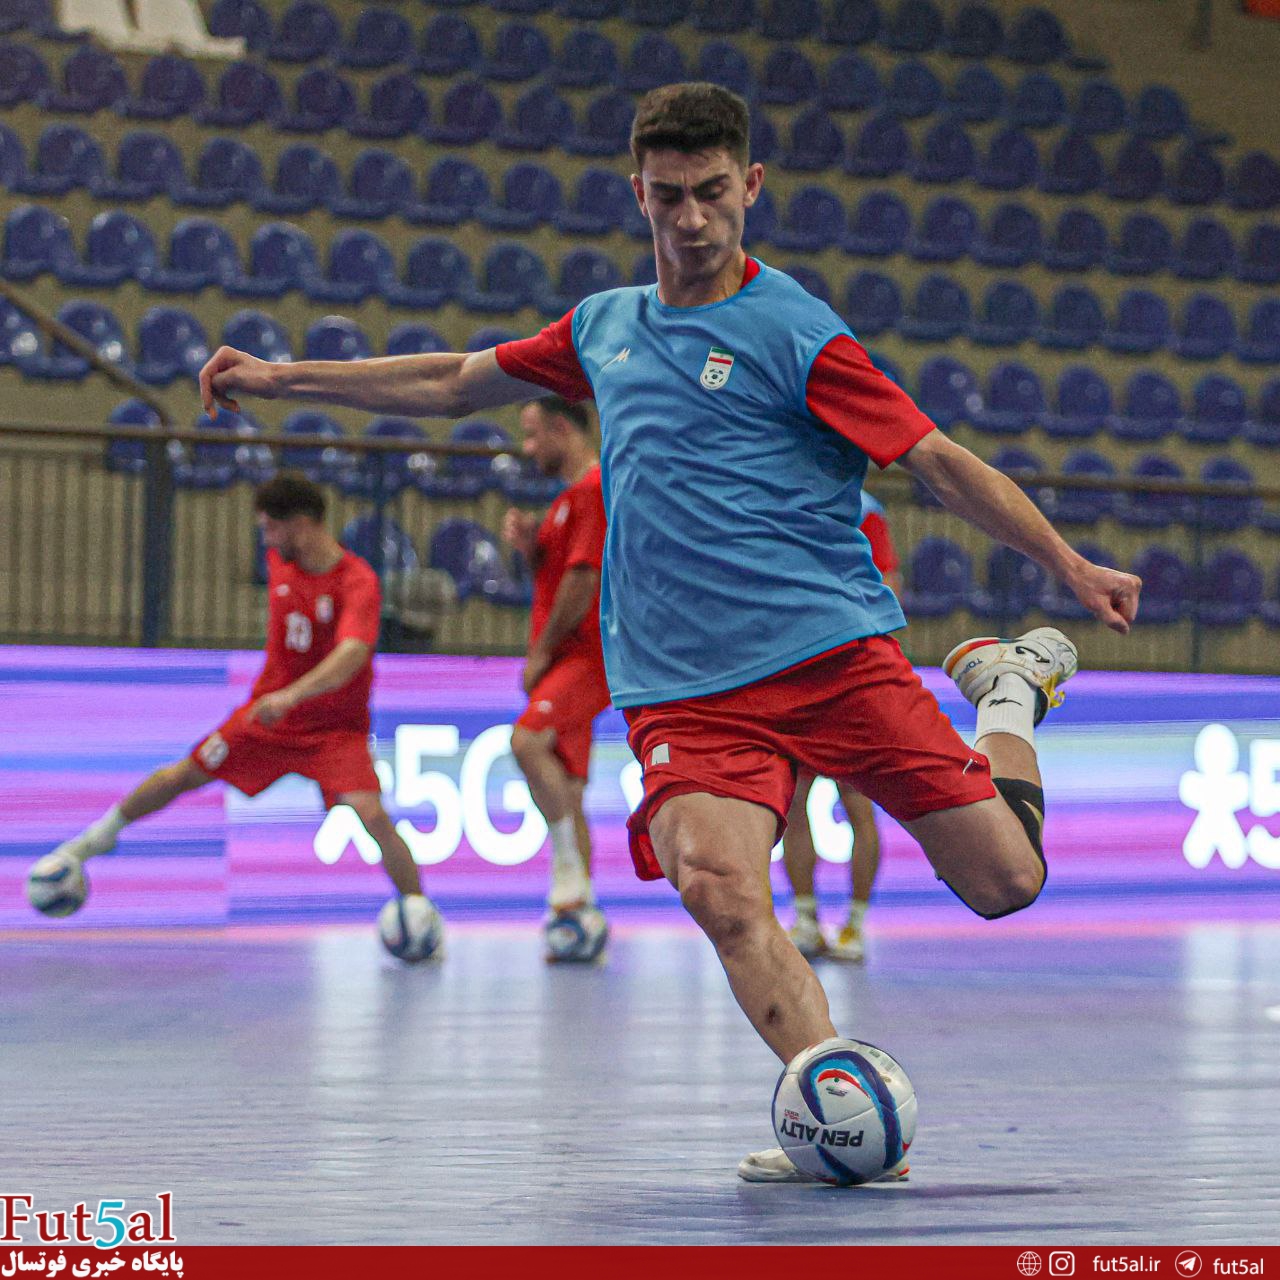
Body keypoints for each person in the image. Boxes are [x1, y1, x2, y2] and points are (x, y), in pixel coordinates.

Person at [195, 82, 1142, 1182]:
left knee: (1005, 881)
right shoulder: (603, 328)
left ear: (751, 186)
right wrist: (281, 376)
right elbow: (454, 380)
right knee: (717, 886)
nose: (690, 219)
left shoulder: (796, 332)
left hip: (831, 658)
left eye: (711, 193)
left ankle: (1008, 696)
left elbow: (933, 459)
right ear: (636, 193)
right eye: (667, 196)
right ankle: (835, 1110)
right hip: (684, 689)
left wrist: (1066, 564)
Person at [31, 475, 439, 946]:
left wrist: (293, 695)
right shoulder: (281, 562)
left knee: (370, 813)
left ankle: (419, 916)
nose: (265, 540)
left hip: (333, 730)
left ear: (301, 525)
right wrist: (280, 701)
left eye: (270, 529)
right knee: (184, 774)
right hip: (266, 720)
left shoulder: (357, 581)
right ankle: (86, 846)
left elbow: (353, 653)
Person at [501, 396, 611, 959]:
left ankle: (568, 871)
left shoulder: (592, 491)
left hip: (585, 658)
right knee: (567, 787)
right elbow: (554, 577)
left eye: (532, 435)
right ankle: (578, 912)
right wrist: (530, 547)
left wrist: (541, 653)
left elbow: (583, 582)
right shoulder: (567, 501)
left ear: (562, 428)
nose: (527, 448)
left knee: (526, 742)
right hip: (570, 657)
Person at [784, 493, 903, 964]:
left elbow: (888, 587)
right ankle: (806, 919)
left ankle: (855, 923)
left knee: (857, 802)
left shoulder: (865, 509)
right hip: (798, 675)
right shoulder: (788, 499)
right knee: (793, 801)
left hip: (850, 678)